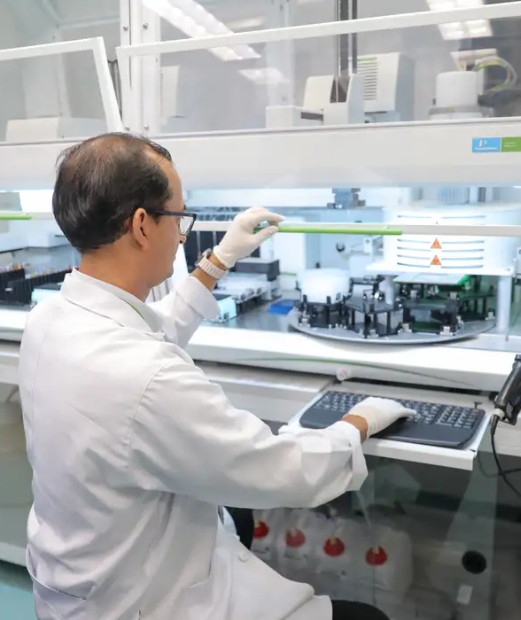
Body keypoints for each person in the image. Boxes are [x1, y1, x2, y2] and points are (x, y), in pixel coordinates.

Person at [18, 133, 414, 620]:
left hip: (76, 574)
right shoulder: (148, 378)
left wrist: (218, 260)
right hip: (144, 602)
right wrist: (357, 424)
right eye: (179, 217)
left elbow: (151, 331)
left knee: (235, 517)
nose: (182, 233)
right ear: (142, 225)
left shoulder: (51, 317)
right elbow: (283, 469)